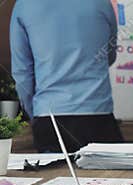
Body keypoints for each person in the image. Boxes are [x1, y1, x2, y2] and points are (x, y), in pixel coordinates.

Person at [10, 0, 123, 153]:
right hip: (98, 116)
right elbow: (109, 56)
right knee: (109, 176)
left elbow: (22, 73)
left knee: (55, 176)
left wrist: (36, 112)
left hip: (49, 118)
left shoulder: (24, 5)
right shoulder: (102, 3)